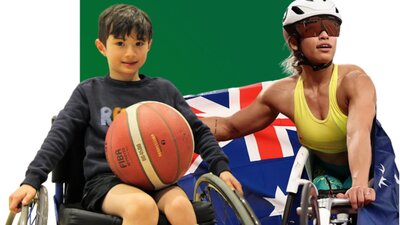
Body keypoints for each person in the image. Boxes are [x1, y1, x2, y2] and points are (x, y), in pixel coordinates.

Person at [8, 4, 242, 225]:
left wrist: (221, 168)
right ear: (102, 47)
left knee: (181, 206)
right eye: (120, 43)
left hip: (158, 179)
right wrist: (31, 180)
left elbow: (198, 132)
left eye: (139, 43)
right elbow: (59, 136)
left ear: (149, 44)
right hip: (106, 183)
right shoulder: (89, 92)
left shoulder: (163, 90)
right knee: (141, 207)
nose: (130, 52)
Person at [201, 0, 375, 210]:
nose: (324, 35)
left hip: (371, 172)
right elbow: (228, 127)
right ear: (294, 42)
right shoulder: (283, 94)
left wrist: (359, 184)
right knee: (321, 195)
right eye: (313, 27)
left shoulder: (354, 80)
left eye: (331, 27)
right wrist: (180, 122)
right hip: (324, 177)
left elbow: (357, 134)